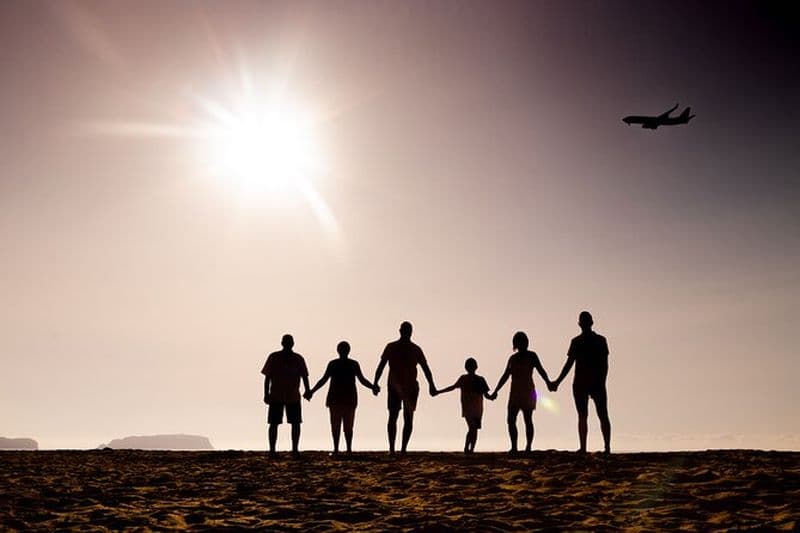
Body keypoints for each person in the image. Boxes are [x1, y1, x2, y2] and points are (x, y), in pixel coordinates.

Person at [550, 311, 611, 454]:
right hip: (583, 383)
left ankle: (604, 447)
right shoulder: (580, 341)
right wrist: (557, 381)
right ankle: (588, 447)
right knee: (586, 415)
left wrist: (557, 382)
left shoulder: (598, 340)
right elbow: (569, 364)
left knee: (599, 415)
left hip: (591, 382)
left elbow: (604, 364)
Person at [373, 321, 437, 453]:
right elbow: (381, 365)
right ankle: (393, 448)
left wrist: (431, 385)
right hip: (395, 386)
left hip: (410, 387)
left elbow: (425, 368)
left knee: (406, 417)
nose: (406, 333)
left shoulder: (415, 349)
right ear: (401, 331)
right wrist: (375, 382)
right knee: (394, 416)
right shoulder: (392, 347)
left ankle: (402, 449)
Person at [305, 341, 379, 454]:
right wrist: (373, 387)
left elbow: (323, 380)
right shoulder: (353, 364)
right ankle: (348, 449)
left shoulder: (333, 364)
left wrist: (312, 391)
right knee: (348, 425)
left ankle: (336, 449)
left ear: (338, 350)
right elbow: (362, 380)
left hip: (336, 398)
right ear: (348, 350)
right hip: (348, 399)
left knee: (336, 425)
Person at [490, 331, 553, 453]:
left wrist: (548, 382)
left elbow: (541, 370)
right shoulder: (513, 359)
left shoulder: (532, 356)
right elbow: (505, 375)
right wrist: (496, 390)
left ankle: (528, 446)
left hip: (528, 392)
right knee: (511, 420)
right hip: (515, 393)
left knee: (527, 419)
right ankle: (514, 447)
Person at [261, 334, 311, 456]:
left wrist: (307, 390)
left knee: (294, 423)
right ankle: (273, 450)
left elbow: (304, 376)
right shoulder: (274, 357)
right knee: (275, 423)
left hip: (291, 395)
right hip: (277, 395)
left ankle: (293, 449)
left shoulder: (297, 358)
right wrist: (266, 394)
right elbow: (267, 377)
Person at [433, 357, 494, 453]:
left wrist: (492, 397)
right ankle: (467, 448)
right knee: (472, 427)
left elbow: (486, 395)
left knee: (474, 429)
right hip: (469, 408)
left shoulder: (479, 379)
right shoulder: (464, 379)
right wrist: (439, 392)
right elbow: (453, 387)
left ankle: (471, 449)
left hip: (477, 408)